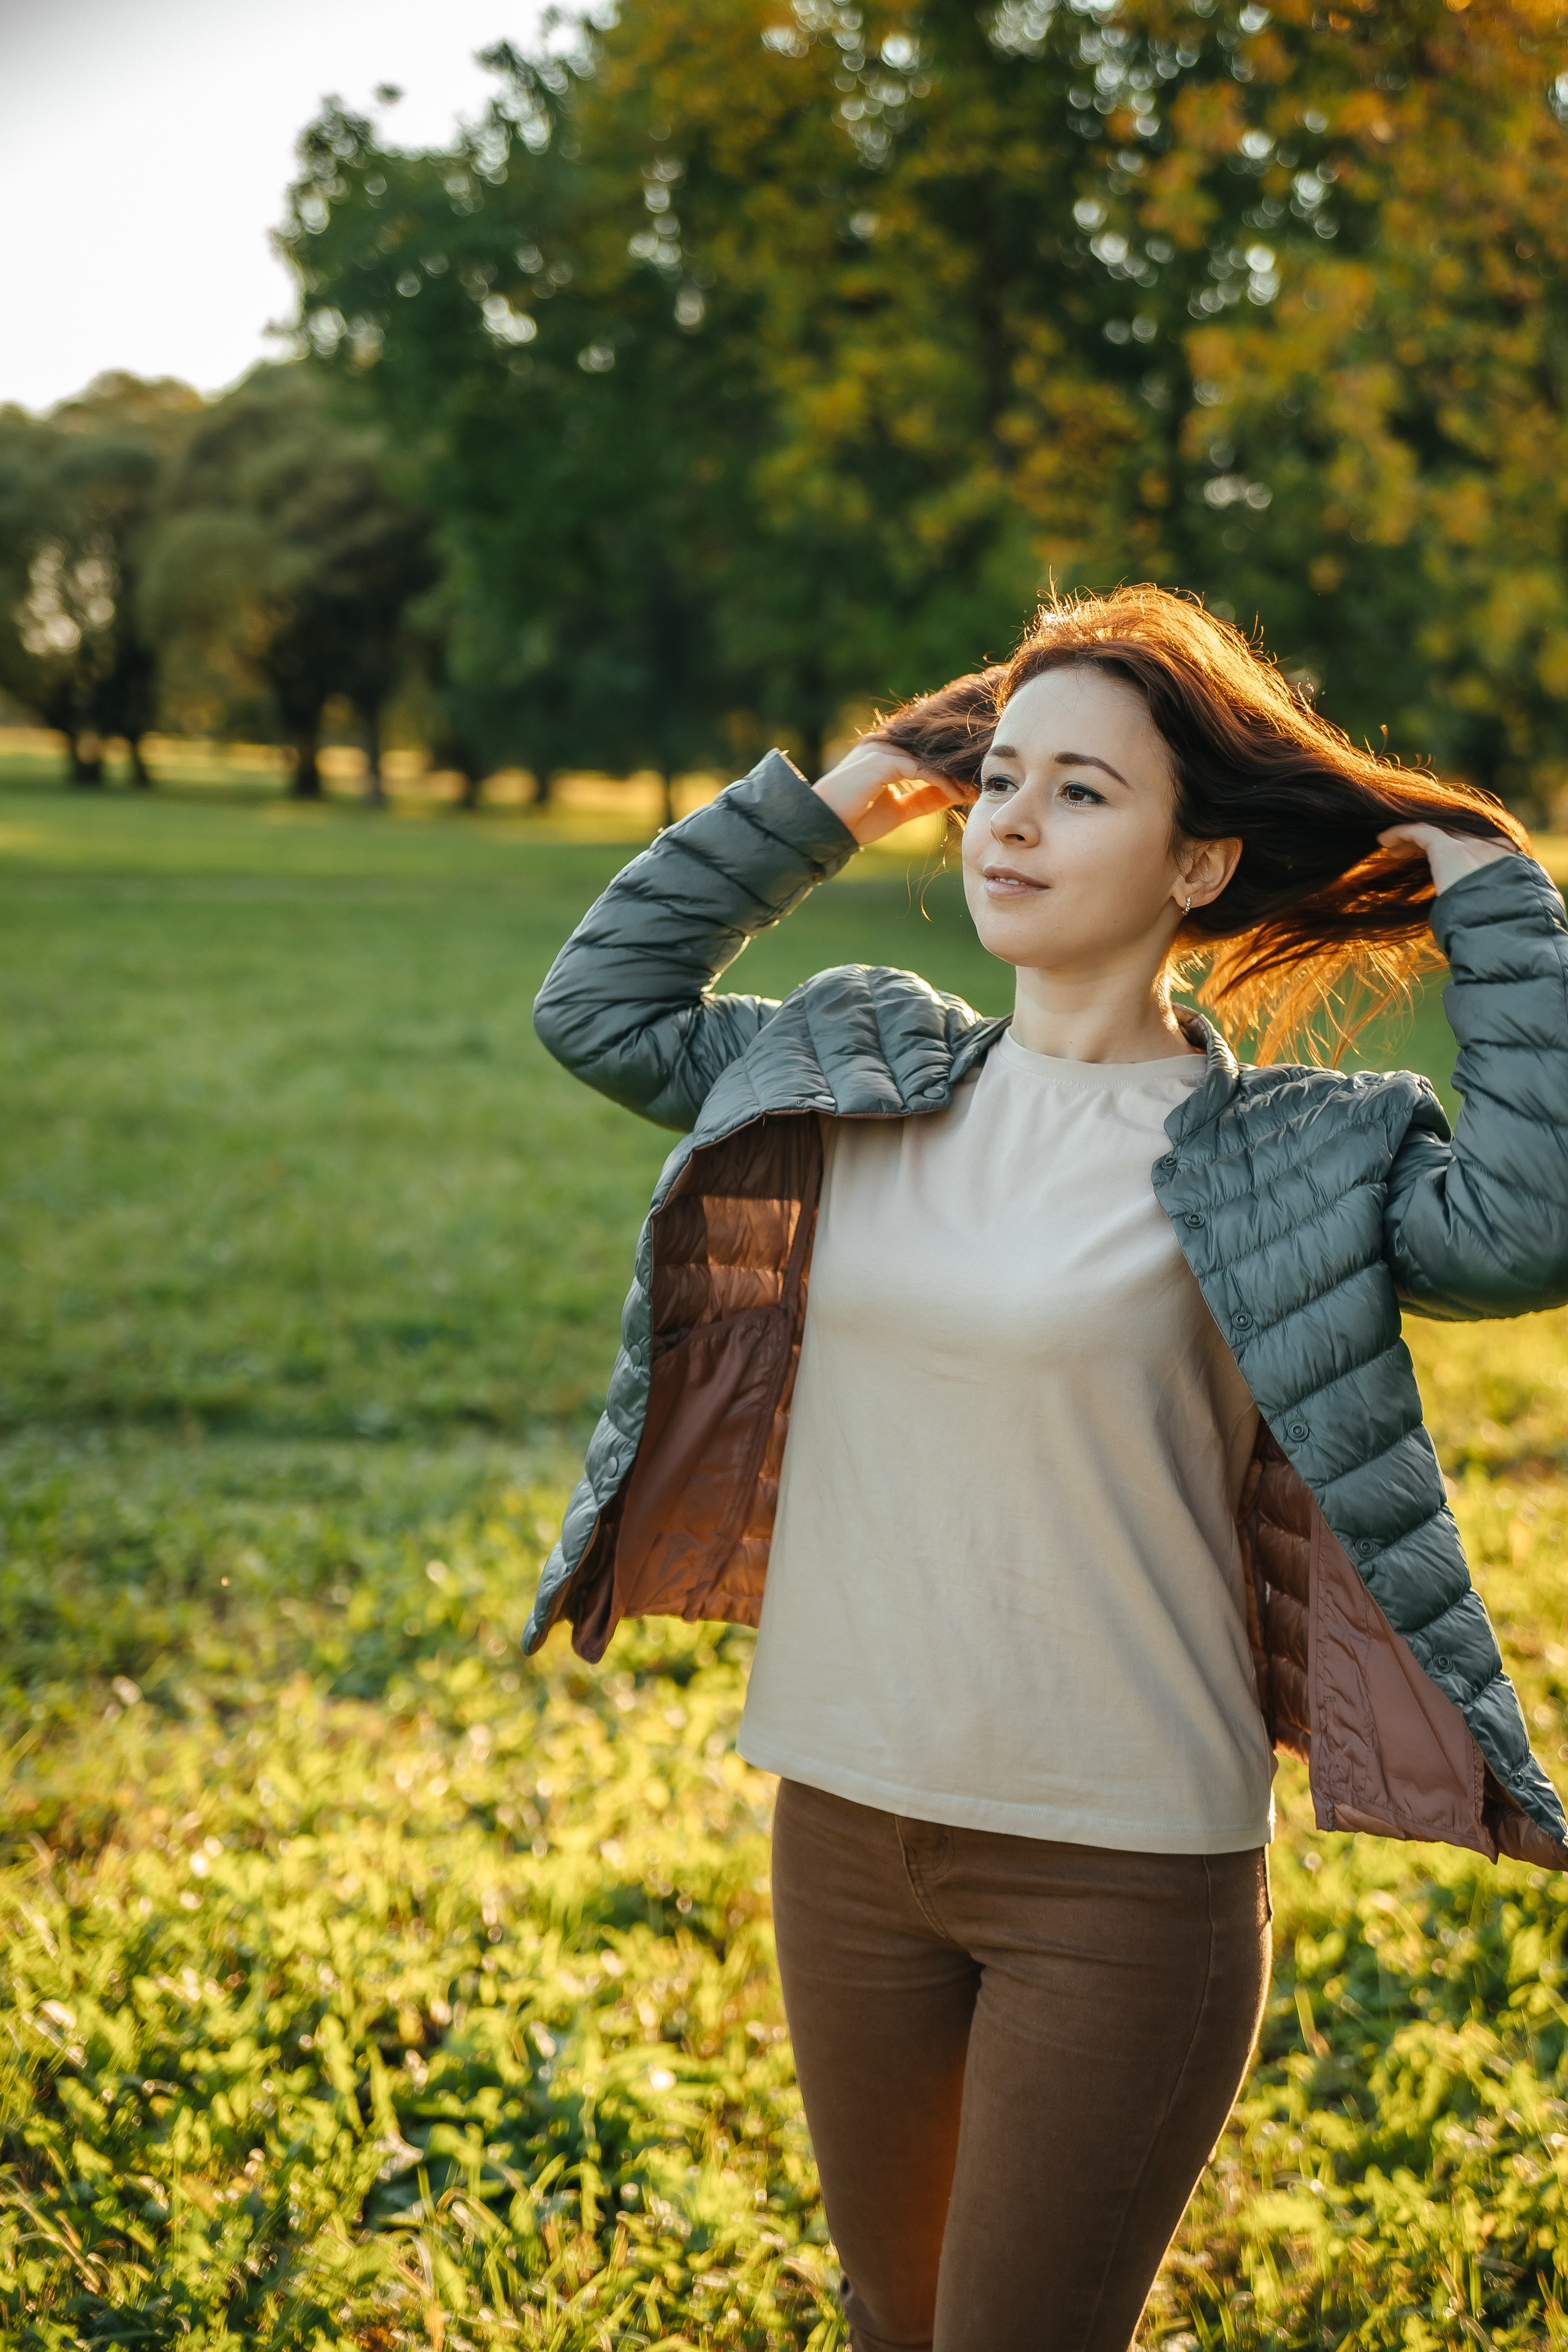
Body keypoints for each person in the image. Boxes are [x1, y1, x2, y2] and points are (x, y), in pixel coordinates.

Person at [522, 585, 1568, 2350]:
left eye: (1084, 792)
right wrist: (855, 785)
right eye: (999, 776)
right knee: (891, 2320)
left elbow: (1533, 1225)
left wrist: (1495, 897)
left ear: (1199, 870)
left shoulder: (1303, 1151)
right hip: (845, 1824)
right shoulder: (853, 1064)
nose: (1012, 820)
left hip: (1122, 1864)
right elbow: (602, 1006)